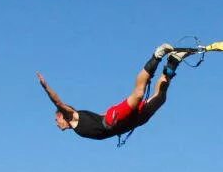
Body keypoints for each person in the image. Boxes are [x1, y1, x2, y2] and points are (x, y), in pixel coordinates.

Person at [37, 44, 188, 140]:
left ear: (61, 115)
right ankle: (173, 62)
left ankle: (156, 56)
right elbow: (98, 117)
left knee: (139, 94)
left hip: (114, 120)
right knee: (160, 99)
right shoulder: (78, 121)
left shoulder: (71, 116)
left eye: (56, 120)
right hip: (125, 124)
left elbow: (57, 101)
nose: (57, 124)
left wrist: (46, 87)